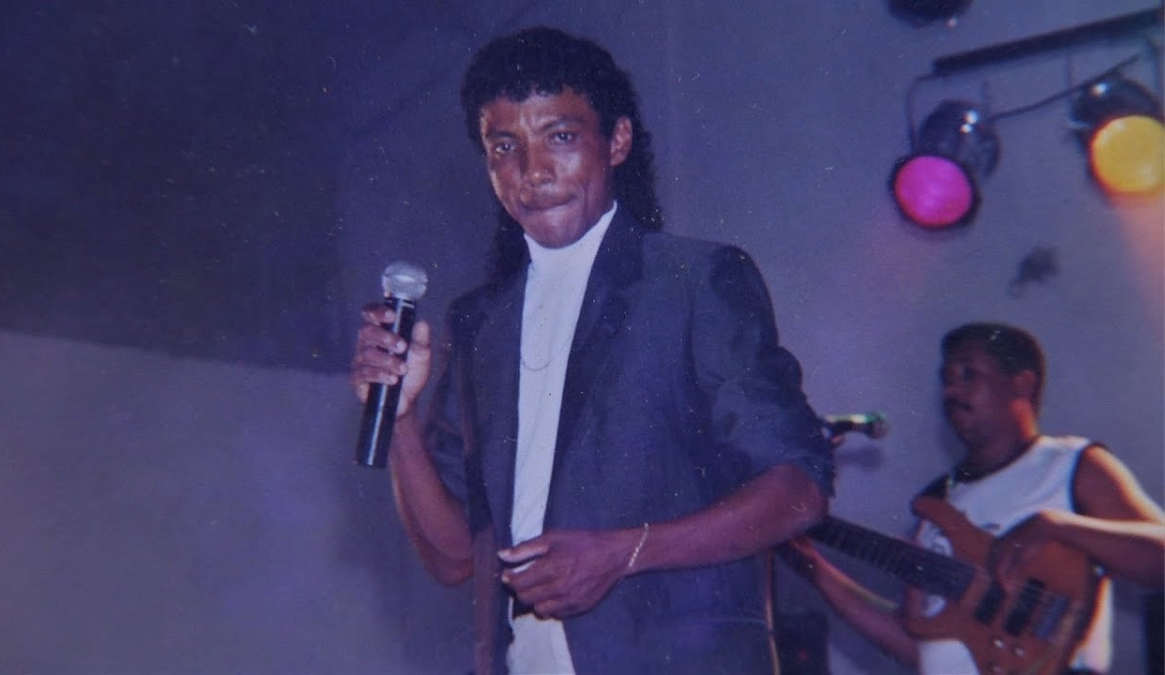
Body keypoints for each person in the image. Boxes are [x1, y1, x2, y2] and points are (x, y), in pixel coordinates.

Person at [350, 26, 835, 675]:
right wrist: (402, 416)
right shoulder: (479, 324)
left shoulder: (694, 283)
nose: (533, 171)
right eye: (504, 147)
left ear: (618, 141)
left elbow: (800, 489)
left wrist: (625, 552)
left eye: (560, 137)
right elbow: (455, 557)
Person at [785, 322, 1165, 674]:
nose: (951, 392)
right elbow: (918, 646)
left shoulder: (1071, 464)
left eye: (968, 373)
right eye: (946, 379)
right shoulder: (937, 501)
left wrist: (1057, 525)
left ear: (1023, 384)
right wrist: (815, 569)